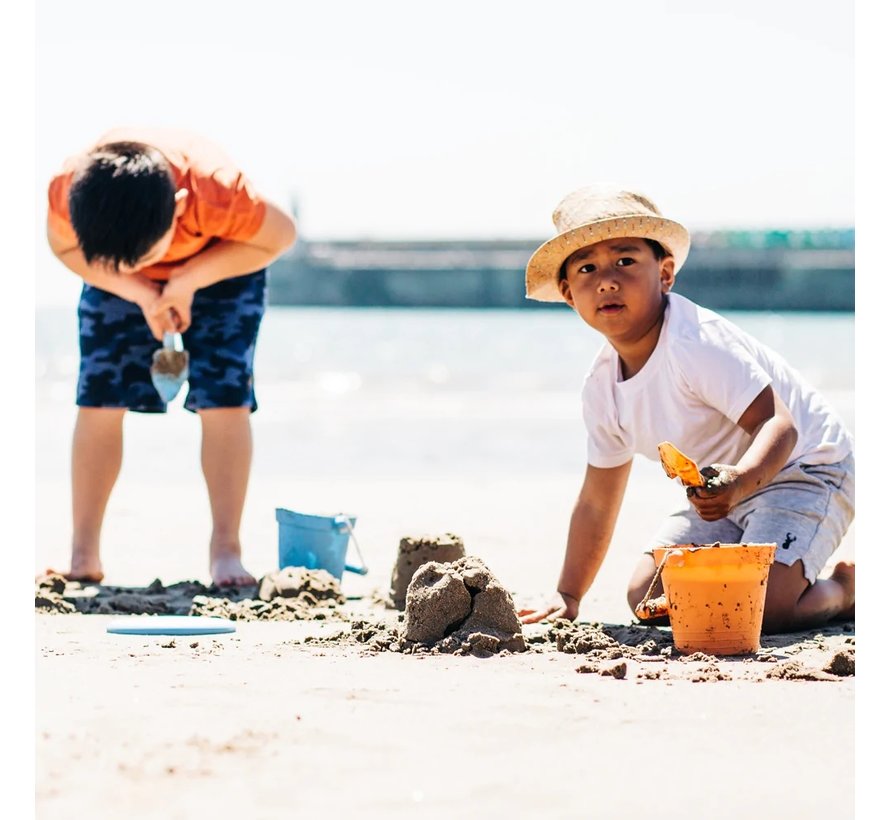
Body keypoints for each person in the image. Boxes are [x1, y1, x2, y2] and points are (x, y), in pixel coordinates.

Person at [518, 185, 854, 632]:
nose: (607, 280)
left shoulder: (695, 342)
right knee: (649, 598)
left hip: (804, 470)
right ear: (567, 292)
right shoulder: (602, 389)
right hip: (721, 493)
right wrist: (569, 594)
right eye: (586, 268)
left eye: (625, 260)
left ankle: (846, 590)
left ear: (666, 272)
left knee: (758, 608)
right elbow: (598, 500)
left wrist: (738, 481)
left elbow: (779, 424)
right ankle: (756, 563)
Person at [46, 128, 297, 586]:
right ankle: (83, 554)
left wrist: (186, 281)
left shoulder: (218, 190)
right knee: (98, 397)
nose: (141, 265)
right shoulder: (71, 188)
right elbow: (63, 246)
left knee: (225, 398)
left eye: (145, 257)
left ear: (180, 206)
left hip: (224, 265)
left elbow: (281, 235)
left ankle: (226, 549)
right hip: (111, 278)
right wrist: (136, 289)